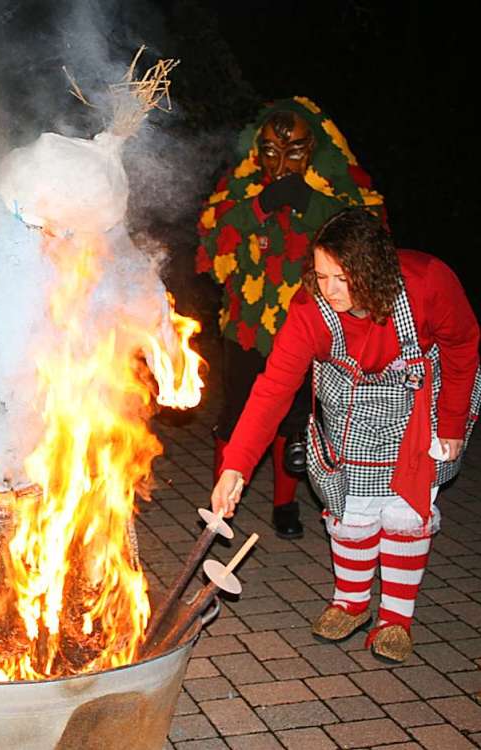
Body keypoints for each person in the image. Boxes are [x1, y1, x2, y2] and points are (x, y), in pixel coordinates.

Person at [212, 209, 479, 662]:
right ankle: (351, 603)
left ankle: (396, 619)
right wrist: (234, 466)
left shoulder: (429, 282)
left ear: (372, 271)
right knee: (351, 509)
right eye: (320, 275)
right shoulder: (310, 312)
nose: (328, 290)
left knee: (406, 512)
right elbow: (274, 388)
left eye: (341, 277)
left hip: (417, 410)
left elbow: (462, 346)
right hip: (349, 413)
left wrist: (452, 423)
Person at [196, 96, 385, 539]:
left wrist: (309, 202)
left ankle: (285, 506)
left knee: (296, 419)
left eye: (295, 151)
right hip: (245, 327)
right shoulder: (242, 188)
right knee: (238, 415)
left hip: (310, 326)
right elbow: (208, 248)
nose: (280, 162)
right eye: (270, 150)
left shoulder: (335, 191)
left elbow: (368, 236)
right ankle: (219, 503)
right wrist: (260, 207)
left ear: (315, 150)